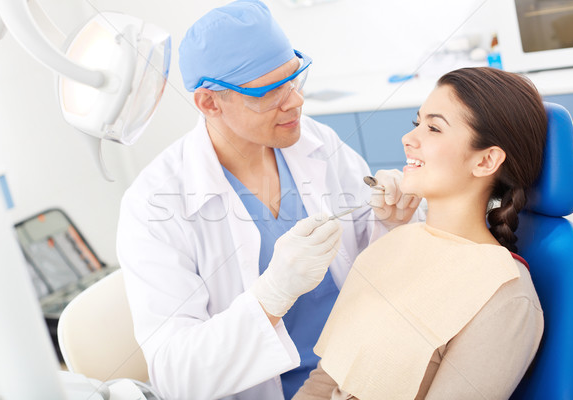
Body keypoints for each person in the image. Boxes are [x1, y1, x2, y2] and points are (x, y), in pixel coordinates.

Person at [116, 1, 422, 399]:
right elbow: (177, 377)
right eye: (268, 91)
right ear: (209, 103)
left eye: (294, 78)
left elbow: (373, 258)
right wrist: (272, 295)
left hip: (359, 367)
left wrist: (392, 221)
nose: (295, 101)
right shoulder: (155, 203)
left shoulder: (315, 142)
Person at [293, 67, 547, 400]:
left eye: (434, 128)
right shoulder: (394, 242)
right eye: (417, 123)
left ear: (486, 161)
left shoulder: (506, 298)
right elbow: (324, 382)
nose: (409, 139)